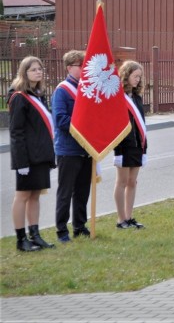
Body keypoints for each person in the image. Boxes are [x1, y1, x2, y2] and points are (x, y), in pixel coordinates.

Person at [8, 56, 57, 251]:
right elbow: (16, 131)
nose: (38, 72)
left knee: (36, 195)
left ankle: (35, 235)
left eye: (39, 69)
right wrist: (21, 163)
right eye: (33, 69)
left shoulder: (38, 95)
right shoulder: (19, 97)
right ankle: (21, 239)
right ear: (24, 72)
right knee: (22, 195)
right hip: (27, 157)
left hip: (41, 154)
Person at [52, 50, 92, 242]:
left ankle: (79, 226)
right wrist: (83, 125)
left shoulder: (87, 88)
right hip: (69, 149)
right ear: (69, 68)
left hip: (86, 148)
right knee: (65, 192)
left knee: (83, 191)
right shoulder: (62, 90)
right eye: (80, 65)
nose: (84, 68)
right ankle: (62, 230)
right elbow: (60, 119)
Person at [112, 60, 147, 229]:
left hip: (137, 146)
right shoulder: (118, 98)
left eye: (139, 77)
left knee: (133, 182)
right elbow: (115, 126)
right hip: (123, 147)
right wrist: (117, 152)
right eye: (135, 76)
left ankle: (129, 216)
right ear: (126, 76)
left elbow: (142, 125)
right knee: (122, 181)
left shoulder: (137, 98)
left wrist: (144, 149)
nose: (138, 80)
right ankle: (120, 219)